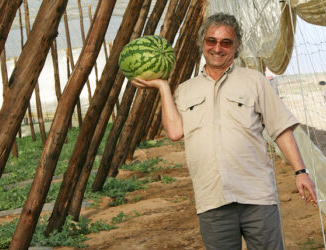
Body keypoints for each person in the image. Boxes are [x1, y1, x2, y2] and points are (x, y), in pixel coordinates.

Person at [132, 13, 317, 249]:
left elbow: (280, 128)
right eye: (211, 41)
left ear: (236, 46)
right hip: (212, 199)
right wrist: (162, 87)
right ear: (202, 43)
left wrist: (300, 171)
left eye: (226, 42)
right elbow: (175, 132)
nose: (217, 48)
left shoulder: (254, 81)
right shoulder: (185, 90)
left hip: (256, 195)